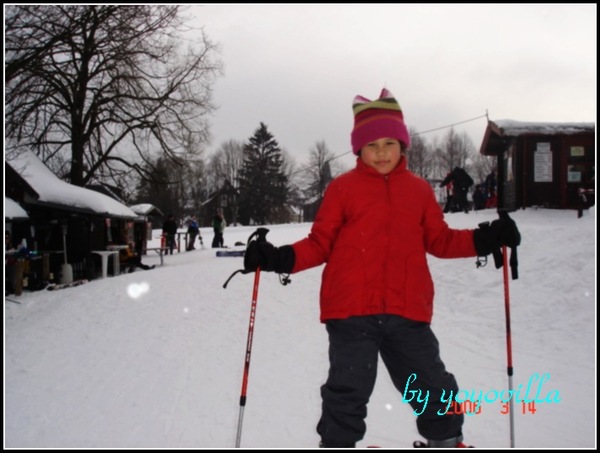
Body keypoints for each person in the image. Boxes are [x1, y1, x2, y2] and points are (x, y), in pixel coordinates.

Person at [243, 88, 521, 448]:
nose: (382, 153)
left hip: (407, 311)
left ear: (403, 145)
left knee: (432, 386)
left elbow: (440, 240)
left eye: (390, 143)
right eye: (372, 145)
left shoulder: (419, 191)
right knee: (347, 392)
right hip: (351, 312)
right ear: (359, 149)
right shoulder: (343, 189)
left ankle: (447, 442)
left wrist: (486, 239)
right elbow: (319, 243)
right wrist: (277, 257)